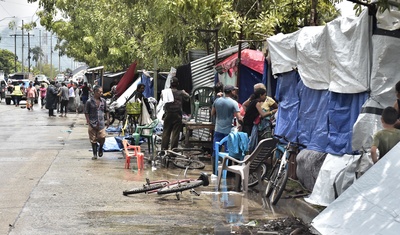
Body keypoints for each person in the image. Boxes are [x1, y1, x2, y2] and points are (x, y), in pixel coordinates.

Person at [211, 85, 243, 173]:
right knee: (228, 152)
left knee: (216, 149)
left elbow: (212, 113)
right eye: (234, 90)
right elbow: (239, 117)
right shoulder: (233, 103)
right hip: (228, 131)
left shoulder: (217, 101)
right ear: (230, 91)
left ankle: (215, 171)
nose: (235, 92)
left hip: (218, 129)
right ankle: (227, 172)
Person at [161, 77, 190, 150]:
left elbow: (162, 98)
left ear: (170, 84)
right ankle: (173, 150)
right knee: (175, 133)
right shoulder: (181, 92)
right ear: (178, 84)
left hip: (168, 114)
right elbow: (188, 97)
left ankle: (163, 149)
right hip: (177, 115)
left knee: (166, 132)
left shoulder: (165, 92)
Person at [84, 85, 109, 160]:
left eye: (101, 92)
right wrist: (88, 120)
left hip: (101, 123)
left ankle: (101, 147)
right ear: (95, 92)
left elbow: (106, 110)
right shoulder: (89, 101)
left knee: (102, 137)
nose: (101, 93)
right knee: (93, 139)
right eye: (99, 92)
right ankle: (95, 154)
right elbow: (86, 112)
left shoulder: (103, 101)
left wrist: (108, 120)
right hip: (92, 123)